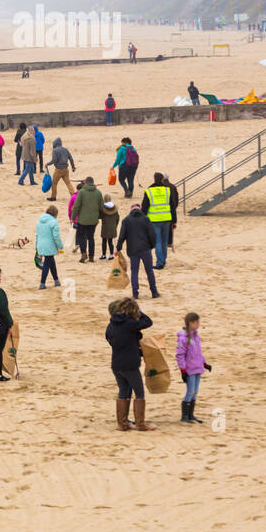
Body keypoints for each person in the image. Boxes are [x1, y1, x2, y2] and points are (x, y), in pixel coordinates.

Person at [105, 298, 155, 431]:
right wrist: (140, 312)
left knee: (124, 391)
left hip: (116, 364)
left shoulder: (111, 324)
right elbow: (148, 322)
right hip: (130, 364)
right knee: (139, 393)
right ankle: (140, 424)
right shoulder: (130, 323)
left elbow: (109, 338)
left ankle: (122, 423)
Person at [116, 205, 159, 299]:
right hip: (145, 248)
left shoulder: (126, 220)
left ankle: (135, 293)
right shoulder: (146, 219)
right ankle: (154, 291)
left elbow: (121, 236)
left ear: (131, 209)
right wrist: (151, 245)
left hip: (133, 250)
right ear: (140, 209)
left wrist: (118, 248)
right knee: (149, 270)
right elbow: (152, 234)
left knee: (134, 271)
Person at [175, 312, 210, 424]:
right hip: (189, 369)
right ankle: (184, 416)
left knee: (195, 391)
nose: (199, 324)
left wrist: (204, 363)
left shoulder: (196, 336)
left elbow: (198, 353)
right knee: (190, 391)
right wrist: (183, 370)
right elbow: (180, 355)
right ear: (191, 323)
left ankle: (191, 415)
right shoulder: (183, 339)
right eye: (197, 322)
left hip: (198, 367)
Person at [141, 173, 176, 269]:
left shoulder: (149, 191)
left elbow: (144, 207)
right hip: (166, 218)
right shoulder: (167, 190)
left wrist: (142, 219)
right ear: (162, 179)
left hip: (154, 219)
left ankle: (160, 262)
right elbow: (172, 206)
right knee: (164, 241)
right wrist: (174, 220)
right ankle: (163, 260)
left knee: (157, 242)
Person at [71, 176, 104, 263]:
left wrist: (73, 218)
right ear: (93, 182)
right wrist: (98, 216)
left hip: (82, 220)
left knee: (82, 237)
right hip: (93, 220)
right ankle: (91, 256)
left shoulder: (81, 192)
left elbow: (76, 206)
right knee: (91, 237)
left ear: (85, 182)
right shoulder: (98, 193)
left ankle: (83, 254)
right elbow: (101, 207)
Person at [35, 205, 63, 289]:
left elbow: (37, 235)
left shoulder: (39, 221)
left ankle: (56, 280)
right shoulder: (54, 222)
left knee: (51, 261)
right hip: (49, 246)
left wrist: (36, 246)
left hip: (40, 244)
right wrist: (60, 246)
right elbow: (56, 236)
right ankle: (42, 283)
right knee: (47, 263)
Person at [46, 137, 75, 201]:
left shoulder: (55, 150)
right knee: (68, 183)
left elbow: (54, 160)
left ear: (55, 144)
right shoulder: (65, 149)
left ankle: (53, 197)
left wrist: (47, 164)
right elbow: (71, 158)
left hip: (58, 170)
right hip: (66, 169)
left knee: (54, 183)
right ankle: (73, 195)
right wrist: (73, 167)